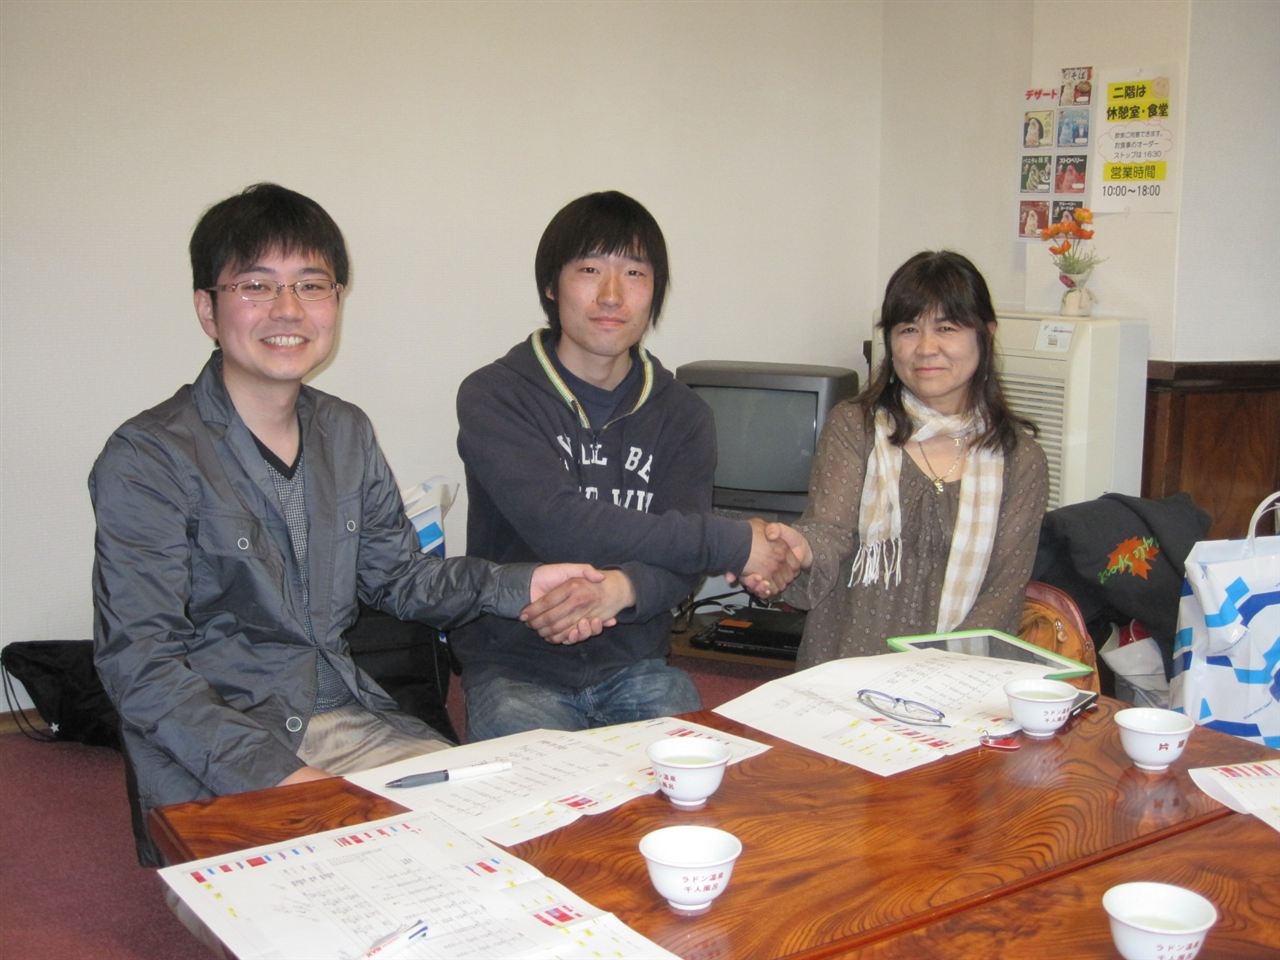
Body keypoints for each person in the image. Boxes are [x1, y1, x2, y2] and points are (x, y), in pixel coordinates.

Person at [90, 183, 606, 863]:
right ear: (207, 308)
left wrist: (522, 584)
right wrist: (288, 782)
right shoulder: (148, 458)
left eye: (311, 286)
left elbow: (401, 579)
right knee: (368, 882)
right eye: (256, 286)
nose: (288, 310)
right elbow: (142, 665)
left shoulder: (346, 432)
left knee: (523, 833)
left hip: (350, 723)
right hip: (224, 752)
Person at [454, 190, 801, 740]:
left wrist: (622, 590)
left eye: (634, 273)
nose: (612, 295)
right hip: (516, 666)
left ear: (655, 291)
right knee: (536, 793)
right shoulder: (495, 396)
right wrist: (734, 542)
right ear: (552, 285)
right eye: (590, 269)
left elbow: (683, 558)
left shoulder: (683, 413)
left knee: (700, 774)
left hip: (637, 664)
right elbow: (559, 522)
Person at [764, 251, 1049, 668]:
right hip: (844, 671)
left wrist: (934, 680)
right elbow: (829, 532)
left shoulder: (1020, 459)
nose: (925, 348)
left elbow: (1002, 595)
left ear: (986, 334)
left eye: (946, 328)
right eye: (909, 329)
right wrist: (799, 550)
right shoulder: (855, 427)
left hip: (955, 680)